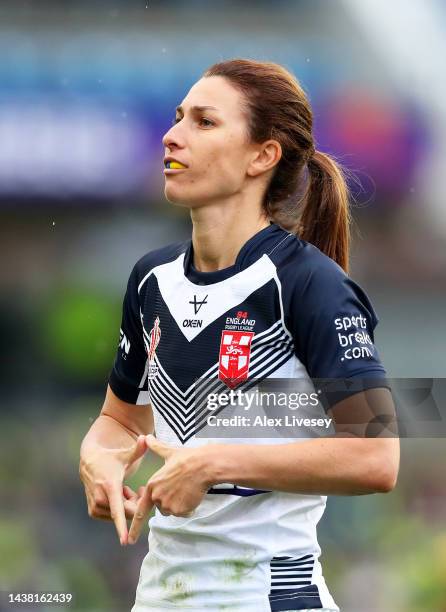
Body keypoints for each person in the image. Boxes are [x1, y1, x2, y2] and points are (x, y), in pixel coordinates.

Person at [79, 58, 400, 612]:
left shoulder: (308, 283)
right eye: (179, 117)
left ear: (262, 155)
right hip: (160, 595)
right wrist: (98, 459)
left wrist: (213, 462)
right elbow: (119, 419)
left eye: (204, 122)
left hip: (267, 594)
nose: (172, 134)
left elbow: (376, 459)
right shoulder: (151, 280)